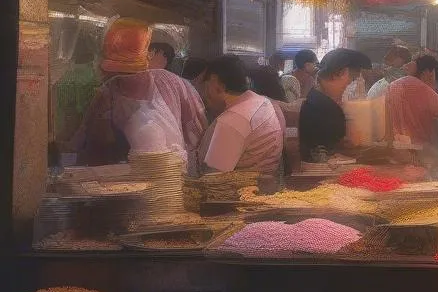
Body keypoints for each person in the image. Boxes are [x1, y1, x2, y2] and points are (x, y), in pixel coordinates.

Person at [70, 19, 207, 171]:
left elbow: (198, 131)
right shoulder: (108, 92)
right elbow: (90, 145)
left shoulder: (169, 83)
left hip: (166, 178)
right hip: (138, 178)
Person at [197, 56, 284, 176]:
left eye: (205, 86)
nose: (202, 94)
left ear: (217, 85)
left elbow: (213, 180)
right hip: (261, 188)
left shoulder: (232, 122)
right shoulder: (262, 102)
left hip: (237, 192)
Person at [298, 48, 371, 161]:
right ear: (341, 73)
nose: (347, 86)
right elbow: (326, 153)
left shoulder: (317, 98)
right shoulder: (323, 106)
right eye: (350, 80)